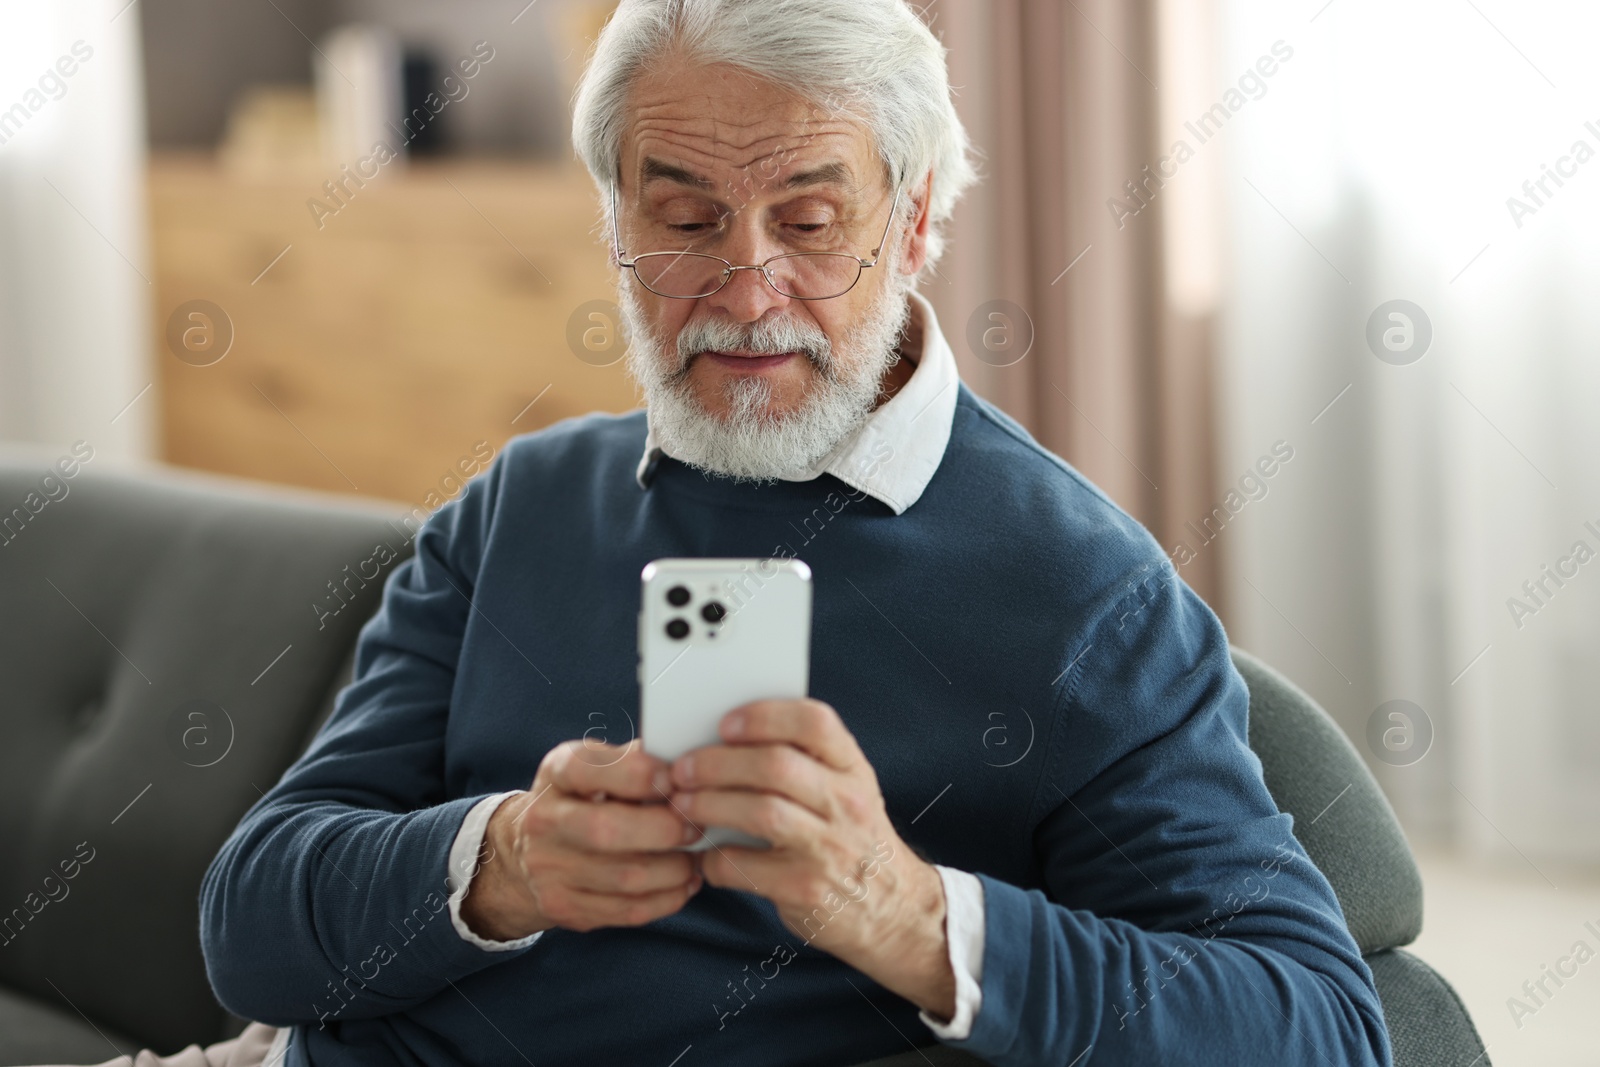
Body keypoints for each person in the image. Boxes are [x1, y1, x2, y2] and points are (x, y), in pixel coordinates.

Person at [48, 2, 1392, 1065]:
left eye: (811, 221)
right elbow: (253, 925)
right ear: (614, 224)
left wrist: (907, 916)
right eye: (683, 218)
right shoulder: (522, 503)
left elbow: (1321, 1028)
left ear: (917, 219)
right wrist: (499, 862)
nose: (746, 289)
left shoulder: (1081, 592)